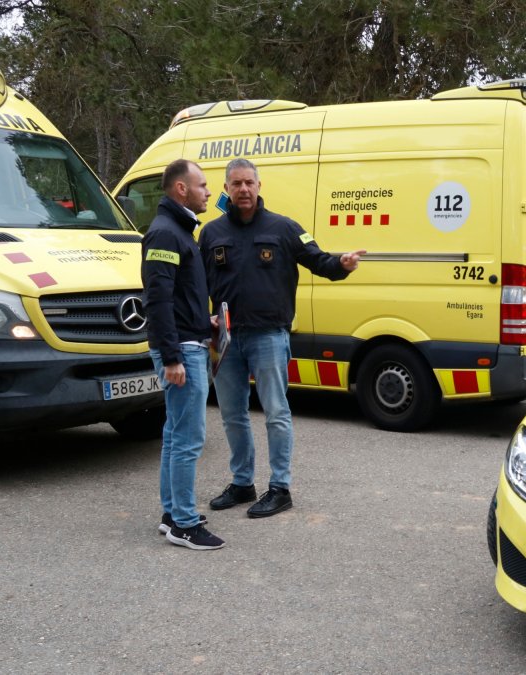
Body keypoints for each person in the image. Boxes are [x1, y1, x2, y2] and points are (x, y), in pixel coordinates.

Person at [200, 158, 365, 518]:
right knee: (232, 414)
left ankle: (280, 488)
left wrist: (343, 264)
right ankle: (242, 483)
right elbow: (198, 284)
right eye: (236, 184)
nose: (243, 189)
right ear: (226, 189)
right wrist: (203, 320)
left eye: (249, 183)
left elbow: (319, 261)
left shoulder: (284, 229)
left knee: (276, 412)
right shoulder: (211, 234)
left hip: (268, 336)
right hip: (226, 338)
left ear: (259, 186)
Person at [141, 159, 223, 549]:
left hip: (187, 342)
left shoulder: (178, 230)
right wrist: (172, 356)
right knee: (189, 438)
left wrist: (202, 320)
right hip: (181, 353)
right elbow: (156, 300)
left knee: (175, 435)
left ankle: (173, 512)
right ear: (181, 189)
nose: (209, 192)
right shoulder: (165, 234)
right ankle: (184, 525)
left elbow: (176, 297)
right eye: (203, 185)